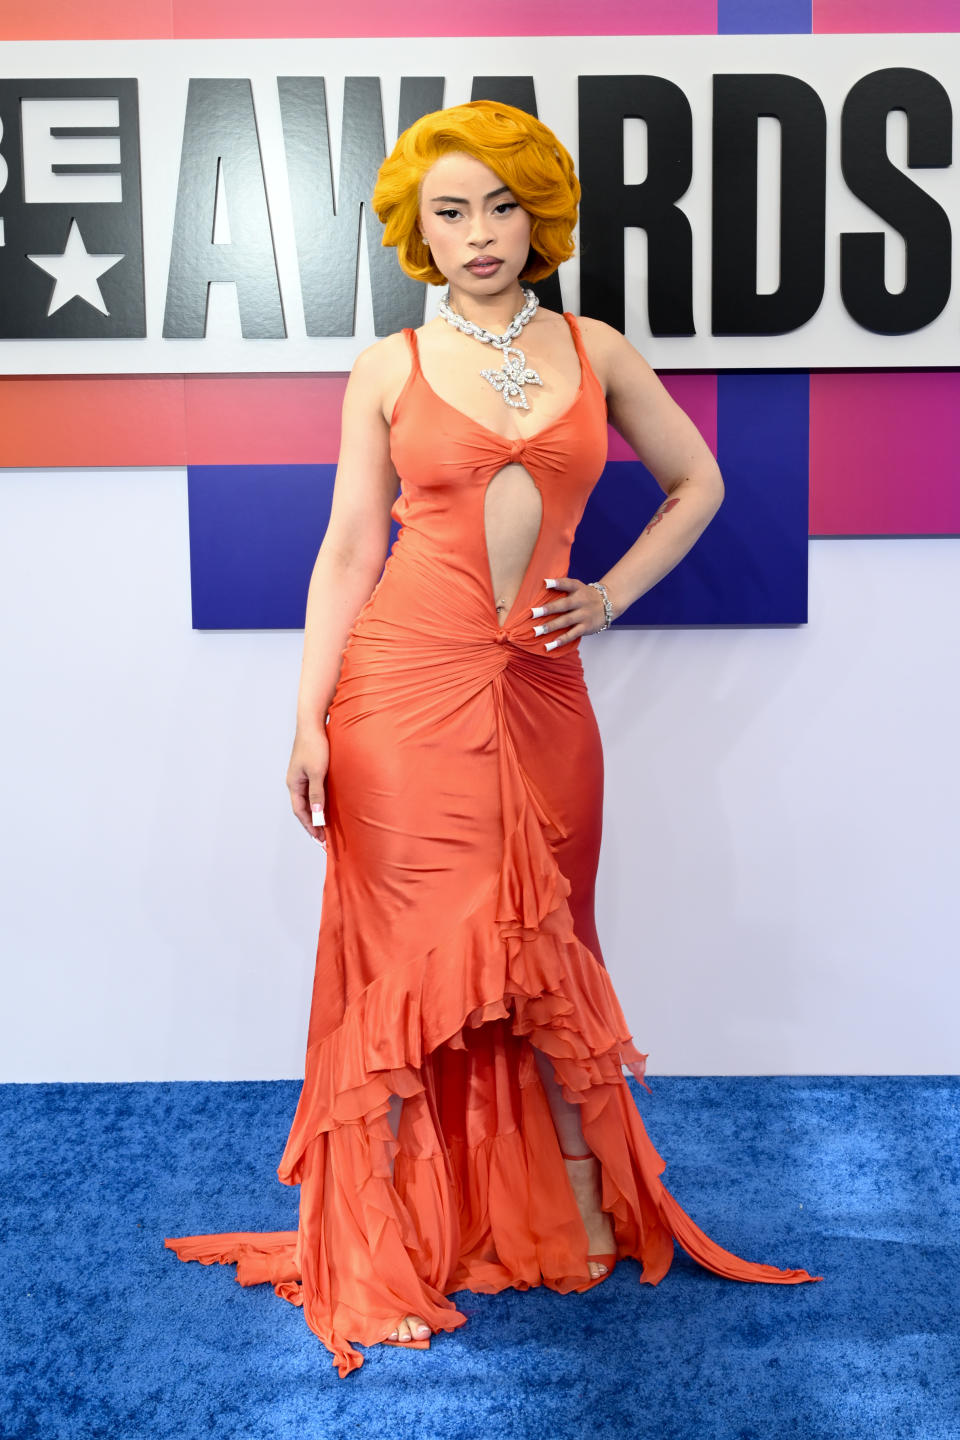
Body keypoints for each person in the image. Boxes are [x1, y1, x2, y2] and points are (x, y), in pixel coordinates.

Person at [165, 99, 822, 1378]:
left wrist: (613, 595)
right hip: (401, 694)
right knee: (416, 961)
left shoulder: (597, 348)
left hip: (543, 695)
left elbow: (702, 484)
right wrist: (305, 713)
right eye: (450, 211)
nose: (479, 233)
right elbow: (351, 546)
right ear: (417, 229)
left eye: (503, 205)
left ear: (540, 217)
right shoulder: (389, 367)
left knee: (542, 949)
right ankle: (383, 1242)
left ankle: (558, 1206)